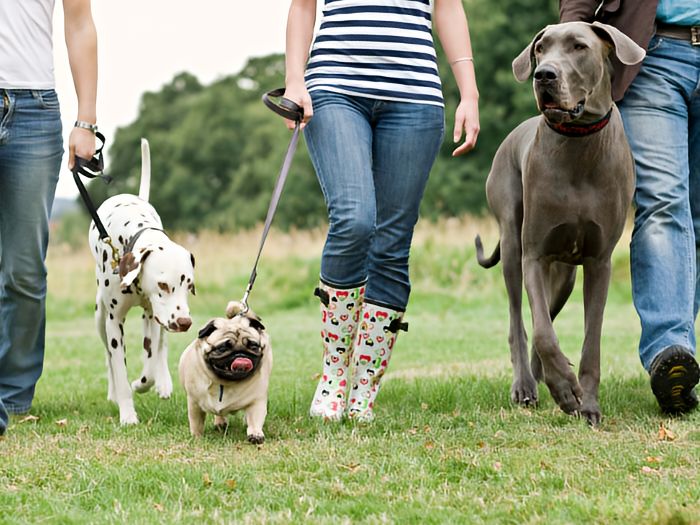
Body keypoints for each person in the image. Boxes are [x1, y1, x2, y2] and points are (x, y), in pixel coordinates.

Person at [283, 0, 479, 421]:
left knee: (392, 242)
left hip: (414, 97)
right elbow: (303, 7)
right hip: (334, 88)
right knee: (354, 218)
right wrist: (293, 79)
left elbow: (448, 8)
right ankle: (334, 374)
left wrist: (469, 92)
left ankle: (364, 386)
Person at [560, 0, 700, 414]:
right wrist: (569, 43)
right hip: (651, 54)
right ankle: (670, 349)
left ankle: (681, 358)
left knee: (693, 215)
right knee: (663, 200)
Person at [0, 0, 98, 436]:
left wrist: (87, 121)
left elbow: (79, 23)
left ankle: (13, 395)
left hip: (33, 113)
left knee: (23, 270)